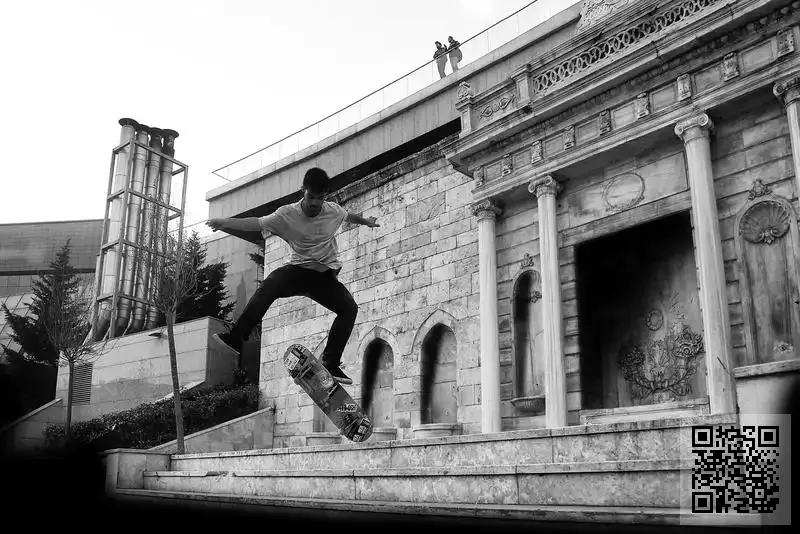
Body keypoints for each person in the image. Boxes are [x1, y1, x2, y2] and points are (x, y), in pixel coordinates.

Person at [206, 167, 380, 385]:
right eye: (311, 197)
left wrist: (366, 221)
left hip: (324, 277)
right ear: (302, 190)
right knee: (270, 284)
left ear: (325, 196)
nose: (314, 203)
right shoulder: (286, 214)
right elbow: (256, 222)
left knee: (349, 309)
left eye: (319, 198)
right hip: (297, 272)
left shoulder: (333, 211)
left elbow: (348, 216)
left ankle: (331, 363)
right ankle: (237, 337)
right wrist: (225, 222)